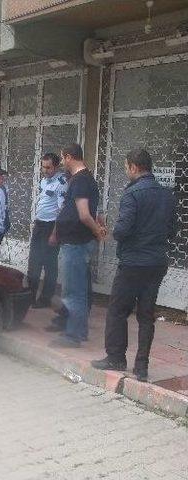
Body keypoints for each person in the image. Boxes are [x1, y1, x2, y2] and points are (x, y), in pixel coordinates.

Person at [91, 149, 177, 382]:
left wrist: (113, 231)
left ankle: (116, 358)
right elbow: (173, 230)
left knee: (118, 310)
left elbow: (122, 231)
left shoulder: (132, 194)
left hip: (133, 263)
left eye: (126, 167)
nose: (126, 170)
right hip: (157, 262)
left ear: (134, 167)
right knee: (146, 316)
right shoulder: (167, 195)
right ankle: (141, 367)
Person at [48, 143, 105, 348]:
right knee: (80, 289)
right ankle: (77, 331)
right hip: (77, 242)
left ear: (70, 157)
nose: (62, 162)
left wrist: (97, 231)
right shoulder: (84, 179)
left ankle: (74, 335)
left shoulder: (81, 180)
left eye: (63, 158)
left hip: (75, 243)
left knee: (73, 291)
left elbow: (83, 214)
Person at [27, 153, 67, 308]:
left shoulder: (61, 182)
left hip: (51, 227)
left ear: (56, 167)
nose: (45, 170)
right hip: (40, 225)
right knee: (34, 263)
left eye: (48, 167)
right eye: (43, 166)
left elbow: (61, 210)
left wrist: (55, 233)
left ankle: (45, 299)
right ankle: (29, 297)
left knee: (49, 264)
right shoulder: (44, 181)